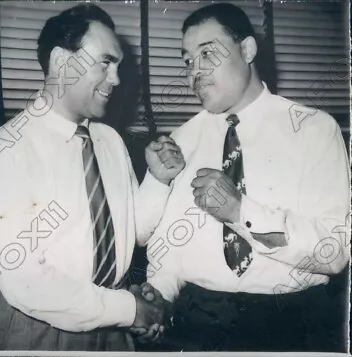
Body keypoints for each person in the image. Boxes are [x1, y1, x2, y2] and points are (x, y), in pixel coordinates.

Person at [0, 4, 185, 351]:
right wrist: (131, 310)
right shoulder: (6, 152)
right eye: (105, 62)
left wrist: (158, 180)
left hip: (114, 325)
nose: (115, 79)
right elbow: (26, 281)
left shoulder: (109, 140)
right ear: (60, 61)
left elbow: (130, 233)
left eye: (119, 66)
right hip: (37, 328)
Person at [137, 3, 350, 352]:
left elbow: (334, 253)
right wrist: (159, 295)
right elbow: (169, 252)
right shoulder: (181, 142)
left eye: (208, 53)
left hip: (292, 325)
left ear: (247, 49)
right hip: (197, 324)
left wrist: (240, 212)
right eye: (188, 60)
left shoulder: (314, 130)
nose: (195, 72)